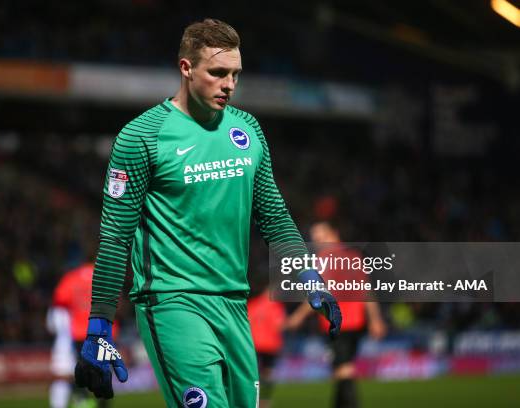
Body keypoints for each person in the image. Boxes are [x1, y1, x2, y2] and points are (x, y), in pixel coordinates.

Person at [74, 18, 341, 408]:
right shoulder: (142, 137)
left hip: (234, 304)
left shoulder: (247, 130)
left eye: (235, 74)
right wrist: (99, 325)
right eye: (218, 72)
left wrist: (309, 275)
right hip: (171, 303)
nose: (229, 84)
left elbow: (273, 214)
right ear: (186, 68)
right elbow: (115, 238)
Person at [285, 220, 387, 408]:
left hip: (338, 323)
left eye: (320, 235)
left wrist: (297, 317)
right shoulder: (354, 257)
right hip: (357, 323)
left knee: (343, 370)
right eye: (314, 236)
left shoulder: (324, 259)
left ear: (333, 233)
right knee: (343, 368)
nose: (316, 240)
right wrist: (375, 319)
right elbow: (367, 291)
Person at [48, 262, 114, 408]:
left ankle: (82, 400)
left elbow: (59, 301)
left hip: (80, 332)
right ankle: (102, 403)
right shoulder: (104, 278)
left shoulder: (71, 278)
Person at [247, 284, 286, 408]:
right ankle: (263, 401)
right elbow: (279, 325)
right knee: (267, 374)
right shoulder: (275, 306)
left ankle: (252, 399)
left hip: (254, 343)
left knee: (253, 373)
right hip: (270, 345)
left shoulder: (252, 304)